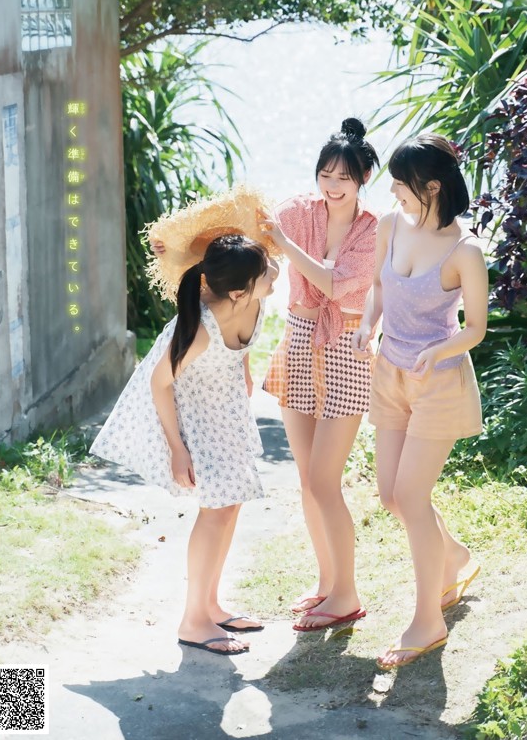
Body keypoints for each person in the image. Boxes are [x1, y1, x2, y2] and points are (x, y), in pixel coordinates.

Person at [90, 234, 279, 656]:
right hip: (191, 413)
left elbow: (251, 269)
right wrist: (178, 450)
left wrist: (243, 364)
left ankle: (211, 605)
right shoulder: (200, 329)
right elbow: (160, 383)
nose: (273, 274)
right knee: (215, 512)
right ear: (235, 291)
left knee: (230, 507)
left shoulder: (254, 287)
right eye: (264, 271)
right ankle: (193, 620)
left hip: (224, 406)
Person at [352, 132, 488, 668]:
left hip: (438, 381)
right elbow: (380, 289)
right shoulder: (391, 226)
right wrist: (367, 323)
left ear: (433, 186)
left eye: (403, 184)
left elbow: (476, 327)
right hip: (389, 371)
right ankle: (453, 556)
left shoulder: (465, 250)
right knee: (392, 496)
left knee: (411, 498)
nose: (392, 192)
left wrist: (439, 351)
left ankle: (428, 621)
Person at [258, 117, 380, 631]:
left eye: (342, 178)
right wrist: (180, 248)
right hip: (299, 343)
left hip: (346, 352)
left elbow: (332, 283)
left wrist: (284, 245)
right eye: (325, 175)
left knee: (327, 481)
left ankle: (347, 594)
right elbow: (250, 227)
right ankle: (327, 582)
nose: (331, 186)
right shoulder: (299, 211)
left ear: (362, 180)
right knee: (308, 482)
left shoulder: (372, 228)